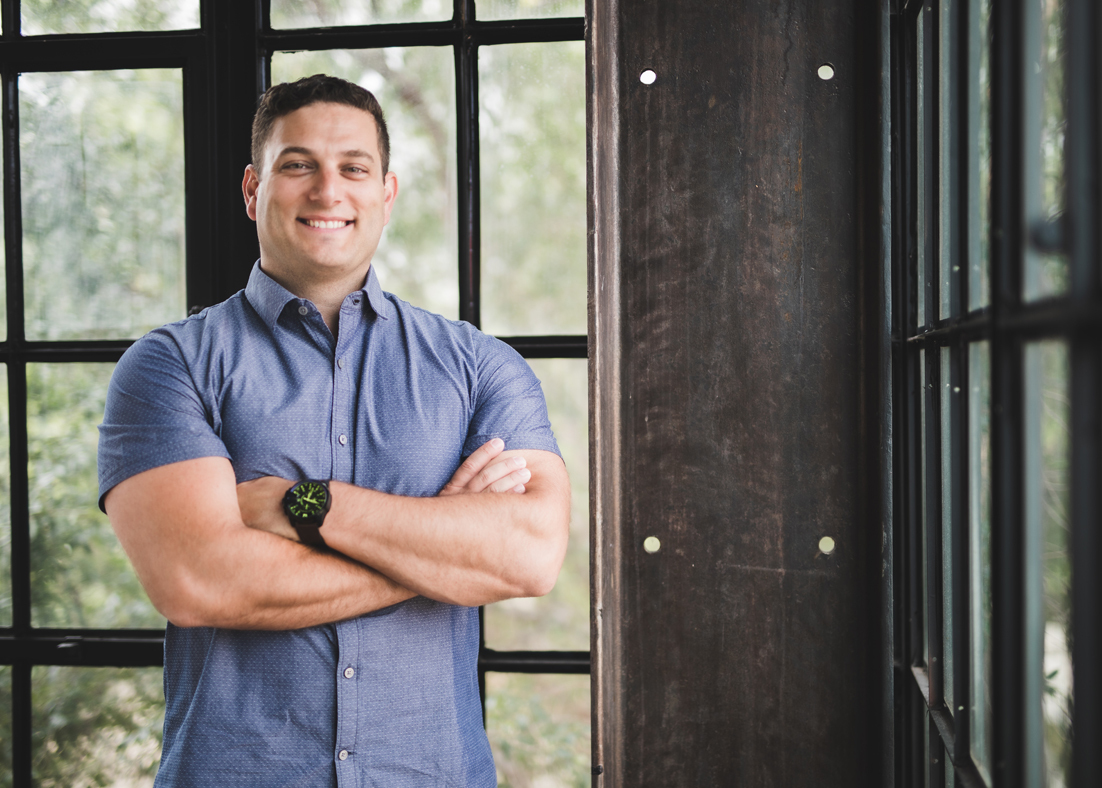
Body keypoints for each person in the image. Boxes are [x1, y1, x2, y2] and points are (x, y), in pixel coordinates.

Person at [97, 74, 570, 787]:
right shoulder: (169, 367)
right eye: (298, 166)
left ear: (386, 193)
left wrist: (304, 504)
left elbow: (529, 557)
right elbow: (198, 581)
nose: (328, 190)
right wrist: (443, 549)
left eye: (354, 168)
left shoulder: (480, 367)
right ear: (254, 190)